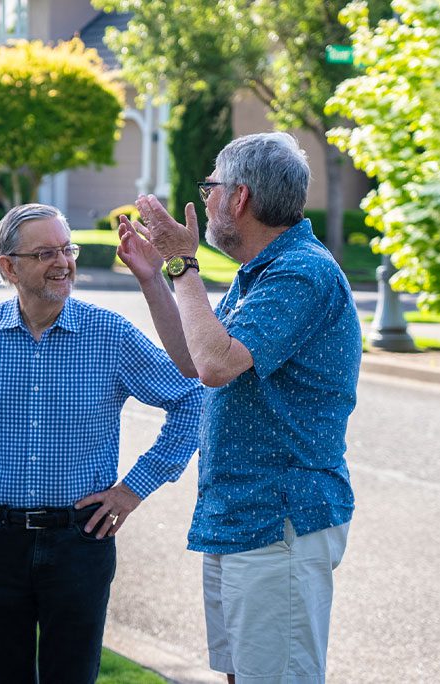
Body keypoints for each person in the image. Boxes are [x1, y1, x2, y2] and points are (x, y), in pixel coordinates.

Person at [0, 203, 203, 684]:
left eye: (68, 249)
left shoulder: (111, 335)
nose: (63, 262)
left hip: (81, 541)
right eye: (45, 253)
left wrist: (134, 488)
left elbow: (191, 400)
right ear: (9, 266)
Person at [117, 131, 359, 684]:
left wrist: (184, 264)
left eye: (211, 187)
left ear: (240, 197)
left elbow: (215, 365)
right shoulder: (264, 272)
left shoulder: (301, 272)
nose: (205, 199)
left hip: (281, 519)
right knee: (240, 674)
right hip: (243, 515)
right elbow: (192, 357)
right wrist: (157, 276)